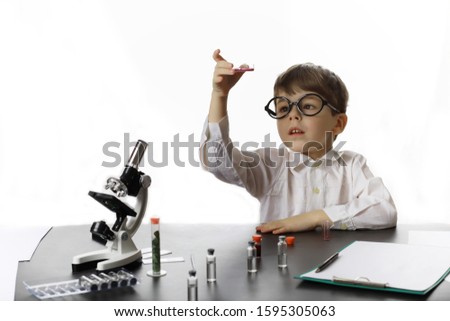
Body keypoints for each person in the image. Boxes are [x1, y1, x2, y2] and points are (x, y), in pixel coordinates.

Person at [200, 49, 397, 234]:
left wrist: (316, 218)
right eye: (284, 109)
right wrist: (220, 95)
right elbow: (217, 162)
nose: (293, 115)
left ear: (338, 123)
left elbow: (385, 210)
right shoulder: (271, 164)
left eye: (308, 106)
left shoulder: (352, 165)